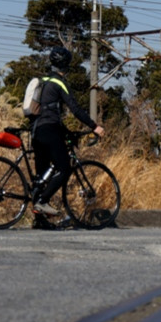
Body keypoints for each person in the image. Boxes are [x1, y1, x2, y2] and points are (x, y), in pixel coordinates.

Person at [31, 46, 105, 216]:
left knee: (41, 178)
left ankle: (39, 217)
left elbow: (48, 111)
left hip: (37, 131)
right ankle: (42, 202)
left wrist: (66, 132)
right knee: (64, 168)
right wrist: (95, 126)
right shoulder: (59, 83)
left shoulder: (44, 81)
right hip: (50, 129)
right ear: (67, 65)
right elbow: (75, 109)